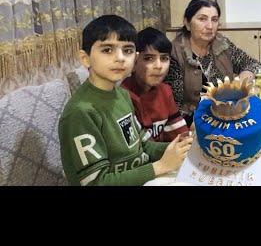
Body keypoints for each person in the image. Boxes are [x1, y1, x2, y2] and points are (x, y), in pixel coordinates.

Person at [58, 15, 193, 186]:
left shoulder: (122, 95)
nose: (120, 58)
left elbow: (143, 145)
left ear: (135, 57)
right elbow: (96, 182)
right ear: (85, 58)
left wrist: (181, 147)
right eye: (107, 50)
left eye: (127, 50)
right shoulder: (80, 112)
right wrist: (160, 166)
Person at [165, 0, 261, 126]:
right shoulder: (173, 54)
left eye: (214, 20)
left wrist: (244, 76)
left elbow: (253, 63)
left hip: (224, 111)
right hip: (190, 122)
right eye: (202, 19)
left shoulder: (221, 44)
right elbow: (172, 107)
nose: (210, 26)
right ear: (187, 23)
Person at [121, 27, 189, 142]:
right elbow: (138, 148)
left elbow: (179, 136)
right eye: (149, 58)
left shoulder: (165, 91)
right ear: (133, 62)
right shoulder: (123, 95)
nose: (158, 66)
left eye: (164, 58)